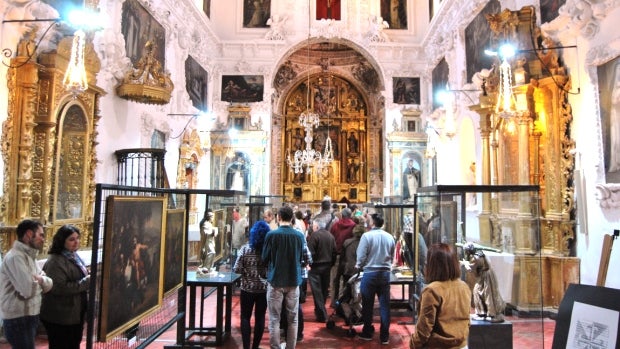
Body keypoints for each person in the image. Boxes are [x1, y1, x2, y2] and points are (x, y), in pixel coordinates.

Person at [0, 219, 53, 349]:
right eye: (41, 235)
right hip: (18, 318)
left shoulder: (29, 256)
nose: (43, 239)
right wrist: (40, 281)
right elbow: (28, 290)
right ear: (29, 234)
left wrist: (40, 280)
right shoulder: (15, 257)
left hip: (29, 315)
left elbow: (49, 283)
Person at [410, 243, 471, 349]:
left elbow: (424, 328)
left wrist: (413, 344)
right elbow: (467, 320)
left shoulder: (432, 290)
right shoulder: (464, 287)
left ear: (433, 265)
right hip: (462, 345)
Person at [261, 206, 305, 349]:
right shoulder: (299, 236)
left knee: (275, 318)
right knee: (293, 319)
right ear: (292, 217)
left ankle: (275, 347)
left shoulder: (272, 235)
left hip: (275, 281)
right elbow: (302, 258)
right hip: (293, 280)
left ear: (278, 217)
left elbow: (265, 258)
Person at [40, 225, 90, 349]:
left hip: (74, 312)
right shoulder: (55, 261)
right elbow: (58, 288)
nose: (76, 242)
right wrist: (86, 282)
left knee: (73, 344)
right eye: (71, 239)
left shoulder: (73, 256)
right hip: (61, 315)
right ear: (62, 241)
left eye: (77, 238)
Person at [355, 213, 395, 344]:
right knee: (384, 306)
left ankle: (367, 332)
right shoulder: (389, 237)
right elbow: (392, 254)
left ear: (372, 223)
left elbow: (361, 255)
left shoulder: (366, 236)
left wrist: (358, 266)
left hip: (370, 274)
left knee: (367, 305)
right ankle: (385, 336)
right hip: (384, 274)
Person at [233, 220, 270, 349]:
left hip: (247, 289)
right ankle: (255, 346)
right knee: (260, 318)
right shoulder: (267, 251)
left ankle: (246, 347)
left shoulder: (245, 249)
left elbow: (236, 269)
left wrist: (245, 273)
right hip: (263, 289)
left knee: (245, 317)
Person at [462, 242, 505, 323]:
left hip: (485, 276)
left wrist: (465, 264)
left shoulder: (475, 258)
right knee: (481, 292)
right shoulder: (479, 254)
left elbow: (471, 269)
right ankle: (482, 312)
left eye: (466, 251)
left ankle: (490, 313)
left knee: (485, 293)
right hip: (485, 275)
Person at [307, 219, 336, 322]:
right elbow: (334, 252)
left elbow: (310, 253)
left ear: (317, 226)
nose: (312, 227)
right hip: (327, 266)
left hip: (316, 267)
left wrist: (309, 264)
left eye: (313, 225)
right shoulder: (330, 236)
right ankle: (320, 313)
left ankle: (323, 315)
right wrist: (331, 264)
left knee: (317, 292)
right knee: (323, 291)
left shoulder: (315, 236)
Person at [329, 207, 356, 305]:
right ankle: (344, 302)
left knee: (335, 279)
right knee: (347, 279)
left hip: (337, 255)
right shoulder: (354, 226)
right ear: (350, 215)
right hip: (349, 257)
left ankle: (333, 302)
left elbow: (331, 239)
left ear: (342, 215)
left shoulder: (335, 225)